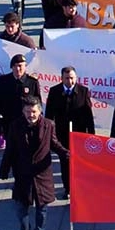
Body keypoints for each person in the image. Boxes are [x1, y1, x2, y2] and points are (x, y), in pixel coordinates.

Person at [0, 98, 68, 230]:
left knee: (41, 208)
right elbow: (10, 149)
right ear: (23, 112)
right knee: (21, 206)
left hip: (42, 174)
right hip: (23, 173)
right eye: (28, 112)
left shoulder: (49, 125)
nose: (31, 115)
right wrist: (4, 169)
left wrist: (66, 153)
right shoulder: (15, 126)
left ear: (40, 111)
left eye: (34, 112)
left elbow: (54, 143)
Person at [44, 66, 96, 198]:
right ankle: (68, 188)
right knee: (65, 162)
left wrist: (91, 136)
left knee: (79, 163)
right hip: (62, 134)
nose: (70, 81)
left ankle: (80, 186)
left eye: (72, 78)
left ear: (76, 78)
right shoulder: (54, 91)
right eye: (67, 78)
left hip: (79, 133)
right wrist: (49, 135)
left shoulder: (83, 91)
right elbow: (49, 115)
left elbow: (89, 116)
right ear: (61, 78)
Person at [0, 53, 41, 151]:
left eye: (20, 66)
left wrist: (38, 123)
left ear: (25, 67)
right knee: (12, 152)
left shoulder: (32, 82)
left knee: (27, 151)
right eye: (15, 66)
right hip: (9, 123)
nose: (18, 69)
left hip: (27, 122)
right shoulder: (3, 81)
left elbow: (38, 104)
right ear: (11, 67)